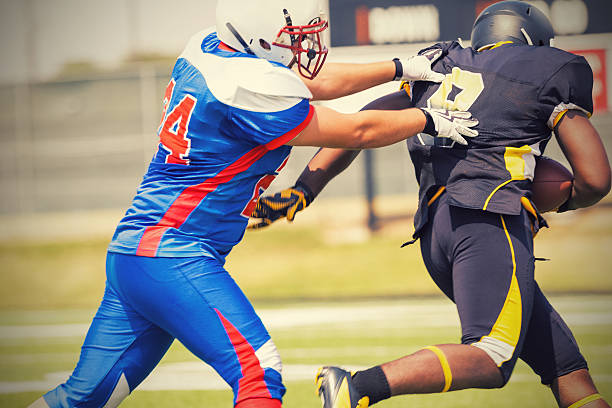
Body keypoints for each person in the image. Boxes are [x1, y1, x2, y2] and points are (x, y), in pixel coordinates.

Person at [27, 1, 480, 407]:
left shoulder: (207, 49)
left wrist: (402, 65)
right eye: (293, 39)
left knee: (83, 398)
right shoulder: (248, 88)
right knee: (259, 377)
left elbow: (312, 80)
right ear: (258, 36)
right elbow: (355, 131)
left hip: (134, 251)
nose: (304, 48)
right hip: (175, 253)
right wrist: (428, 117)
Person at [249, 2, 611, 407]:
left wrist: (304, 189)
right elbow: (595, 179)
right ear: (533, 41)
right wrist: (561, 199)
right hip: (488, 224)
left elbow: (363, 125)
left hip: (435, 234)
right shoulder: (548, 68)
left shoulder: (441, 64)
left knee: (567, 370)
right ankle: (357, 386)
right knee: (491, 357)